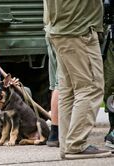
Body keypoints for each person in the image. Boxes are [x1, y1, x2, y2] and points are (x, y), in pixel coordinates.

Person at [46, 0, 112, 159]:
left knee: (68, 90)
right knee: (90, 87)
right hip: (79, 30)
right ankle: (76, 144)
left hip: (60, 29)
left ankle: (68, 145)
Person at [43, 0, 59, 147]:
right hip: (63, 32)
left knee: (56, 85)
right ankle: (58, 132)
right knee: (61, 84)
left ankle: (55, 132)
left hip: (51, 29)